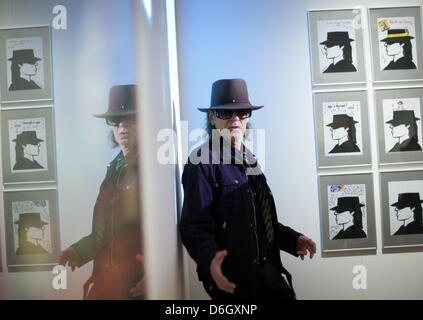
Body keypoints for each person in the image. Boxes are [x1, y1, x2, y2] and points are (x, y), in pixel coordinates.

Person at [179, 78, 316, 301]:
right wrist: (210, 259)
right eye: (225, 112)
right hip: (234, 284)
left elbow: (262, 221)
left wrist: (294, 240)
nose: (235, 118)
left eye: (242, 112)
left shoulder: (250, 159)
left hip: (269, 276)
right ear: (212, 117)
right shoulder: (200, 162)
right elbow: (194, 225)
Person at [59, 84, 145, 300]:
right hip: (108, 282)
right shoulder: (115, 168)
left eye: (130, 117)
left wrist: (156, 273)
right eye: (115, 119)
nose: (122, 125)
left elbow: (167, 232)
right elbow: (109, 231)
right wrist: (79, 251)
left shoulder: (153, 170)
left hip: (135, 285)